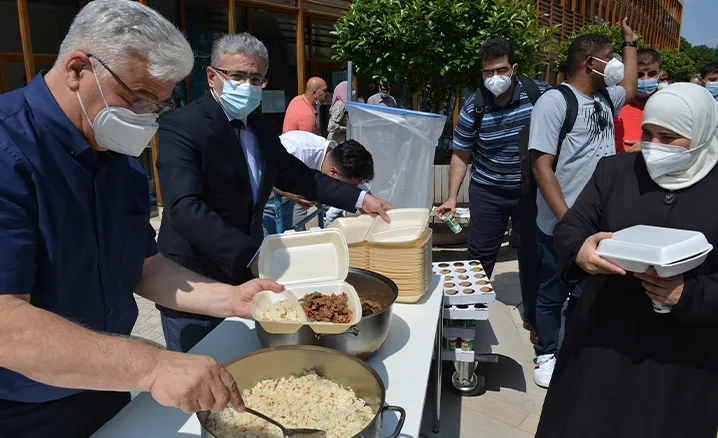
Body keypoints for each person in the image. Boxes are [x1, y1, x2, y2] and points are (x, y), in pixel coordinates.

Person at [0, 2, 284, 437]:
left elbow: (143, 266)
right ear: (78, 68)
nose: (146, 117)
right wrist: (153, 366)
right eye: (137, 97)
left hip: (107, 382)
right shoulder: (9, 151)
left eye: (159, 104)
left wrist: (232, 300)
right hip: (22, 405)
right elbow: (6, 324)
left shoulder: (117, 158)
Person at [155, 33, 394, 353]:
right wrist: (252, 255)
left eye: (255, 78)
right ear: (212, 76)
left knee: (245, 372)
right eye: (237, 76)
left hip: (247, 282)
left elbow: (303, 178)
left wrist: (362, 199)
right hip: (194, 284)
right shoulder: (182, 126)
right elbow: (184, 208)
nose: (247, 85)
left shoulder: (260, 129)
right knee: (199, 383)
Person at [536, 83, 718, 438]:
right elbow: (573, 226)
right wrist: (581, 250)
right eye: (647, 134)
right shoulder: (617, 171)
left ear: (702, 133)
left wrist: (688, 294)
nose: (654, 148)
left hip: (680, 361)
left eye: (669, 137)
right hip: (601, 338)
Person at [528, 20, 638, 388]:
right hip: (563, 223)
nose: (616, 65)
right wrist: (568, 223)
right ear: (589, 63)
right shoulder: (555, 101)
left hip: (600, 223)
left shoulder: (607, 98)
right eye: (610, 59)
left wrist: (630, 44)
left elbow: (631, 85)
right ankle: (546, 352)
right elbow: (542, 166)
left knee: (586, 290)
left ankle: (575, 345)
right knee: (552, 290)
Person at [436, 38, 548, 345]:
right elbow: (461, 153)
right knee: (478, 258)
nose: (494, 78)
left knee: (532, 255)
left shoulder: (540, 95)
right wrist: (451, 197)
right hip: (488, 190)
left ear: (514, 68)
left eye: (500, 70)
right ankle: (467, 317)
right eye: (488, 72)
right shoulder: (475, 105)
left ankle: (536, 318)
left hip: (530, 192)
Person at [262, 132, 374, 236]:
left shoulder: (342, 161)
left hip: (285, 202)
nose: (346, 191)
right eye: (346, 188)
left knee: (285, 239)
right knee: (266, 249)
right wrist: (286, 192)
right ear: (333, 172)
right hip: (265, 202)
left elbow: (365, 197)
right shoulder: (295, 151)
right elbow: (257, 177)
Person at [614, 49, 662, 153]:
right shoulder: (615, 102)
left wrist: (651, 148)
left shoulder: (668, 103)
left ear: (659, 73)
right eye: (639, 74)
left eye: (652, 73)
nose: (645, 79)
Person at [328, 76, 358, 142]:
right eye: (351, 90)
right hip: (336, 142)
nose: (354, 92)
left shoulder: (346, 105)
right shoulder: (340, 105)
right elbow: (331, 126)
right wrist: (346, 129)